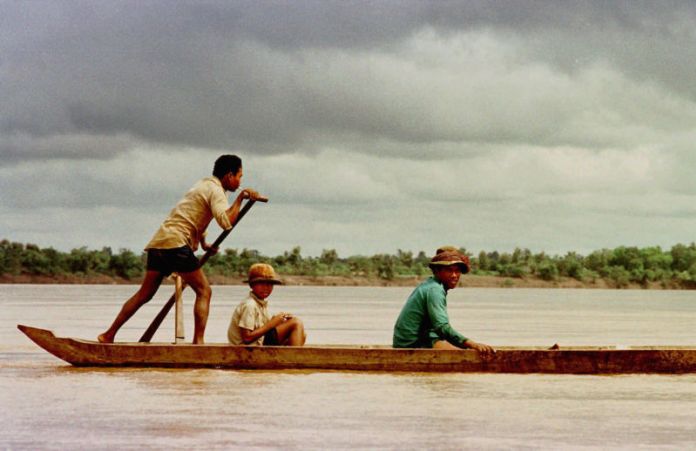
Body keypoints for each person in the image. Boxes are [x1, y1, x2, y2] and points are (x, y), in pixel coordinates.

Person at [98, 154, 259, 344]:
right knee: (204, 291)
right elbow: (225, 222)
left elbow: (194, 216)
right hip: (176, 243)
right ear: (229, 175)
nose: (240, 181)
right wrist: (240, 198)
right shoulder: (216, 190)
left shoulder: (203, 185)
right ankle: (198, 343)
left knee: (145, 294)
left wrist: (205, 244)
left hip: (160, 242)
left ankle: (108, 335)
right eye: (240, 176)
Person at [392, 247, 495, 354]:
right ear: (437, 271)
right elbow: (442, 327)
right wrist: (472, 343)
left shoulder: (432, 284)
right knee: (463, 355)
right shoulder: (435, 290)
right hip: (412, 345)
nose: (454, 275)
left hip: (420, 340)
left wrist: (464, 344)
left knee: (462, 350)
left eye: (457, 270)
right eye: (449, 270)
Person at [228, 263, 306, 346]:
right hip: (244, 349)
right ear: (252, 285)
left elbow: (265, 327)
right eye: (261, 284)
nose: (266, 288)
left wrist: (279, 320)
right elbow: (247, 338)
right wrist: (272, 323)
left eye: (269, 284)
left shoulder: (261, 304)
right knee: (296, 323)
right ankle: (295, 358)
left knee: (301, 334)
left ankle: (291, 357)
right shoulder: (250, 305)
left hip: (257, 344)